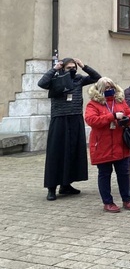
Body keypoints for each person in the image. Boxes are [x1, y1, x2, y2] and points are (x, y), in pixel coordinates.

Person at [37, 57, 101, 201]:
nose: (72, 70)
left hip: (76, 118)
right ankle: (51, 187)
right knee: (57, 153)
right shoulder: (55, 79)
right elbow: (41, 83)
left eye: (74, 68)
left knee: (72, 152)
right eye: (68, 68)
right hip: (60, 119)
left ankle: (66, 184)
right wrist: (54, 69)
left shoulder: (79, 79)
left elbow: (97, 78)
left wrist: (84, 66)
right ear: (62, 68)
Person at [84, 77, 130, 213]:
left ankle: (126, 199)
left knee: (124, 174)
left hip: (120, 144)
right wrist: (112, 116)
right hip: (102, 145)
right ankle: (108, 202)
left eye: (111, 87)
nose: (109, 90)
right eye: (106, 88)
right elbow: (92, 120)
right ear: (100, 89)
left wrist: (128, 119)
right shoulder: (93, 104)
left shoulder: (120, 100)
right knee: (105, 174)